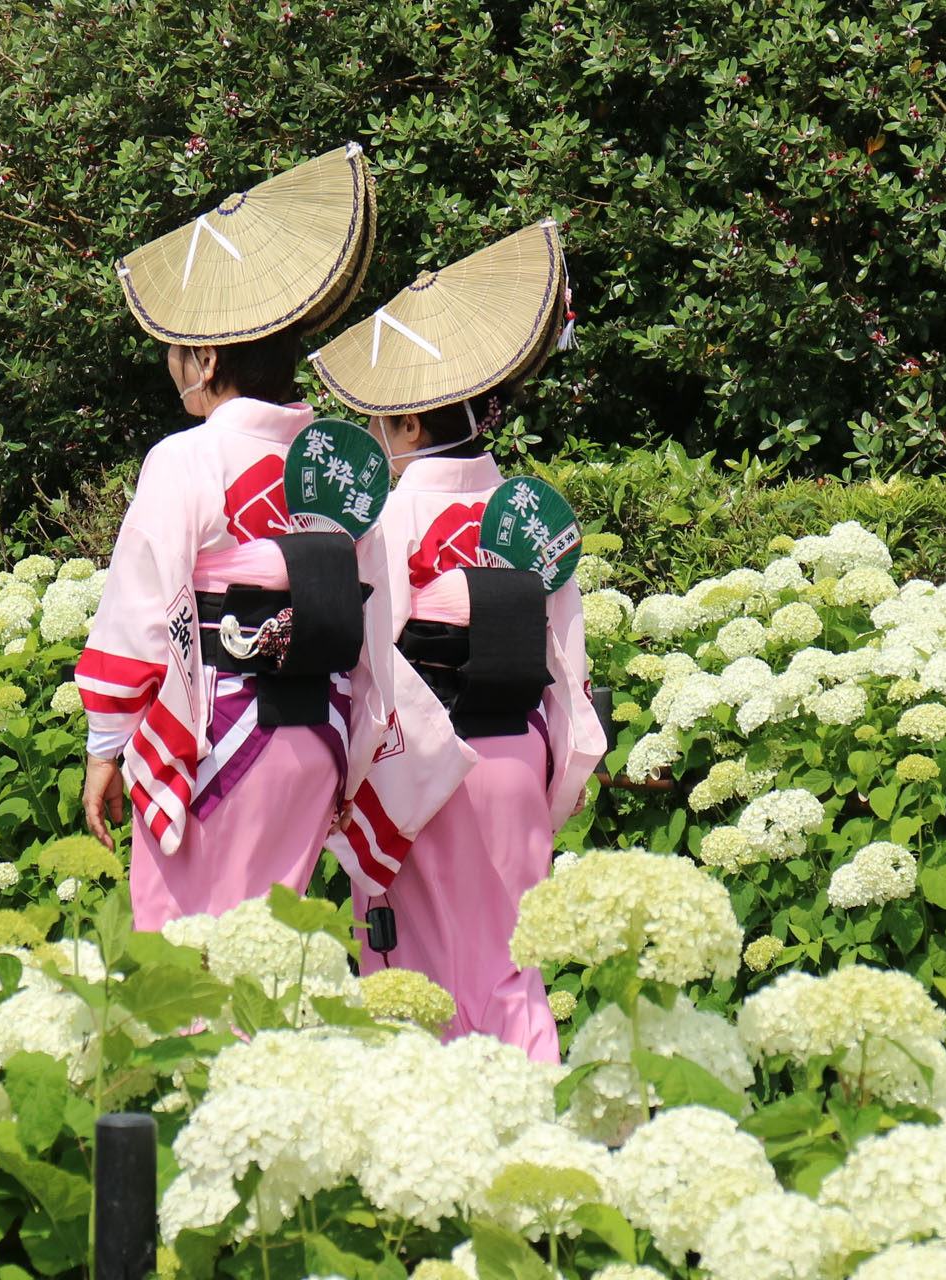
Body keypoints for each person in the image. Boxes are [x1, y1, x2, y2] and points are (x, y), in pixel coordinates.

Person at [77, 144, 472, 930]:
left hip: (217, 735)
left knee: (185, 950)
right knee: (271, 956)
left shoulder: (187, 458)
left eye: (176, 353)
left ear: (206, 356)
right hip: (316, 739)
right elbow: (373, 625)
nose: (172, 367)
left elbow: (139, 612)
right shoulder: (343, 464)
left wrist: (105, 744)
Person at [309, 219, 605, 1061]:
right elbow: (566, 662)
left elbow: (369, 657)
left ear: (403, 426)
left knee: (417, 973)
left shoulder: (395, 512)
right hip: (518, 761)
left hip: (428, 773)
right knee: (514, 972)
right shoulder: (526, 508)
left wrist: (347, 774)